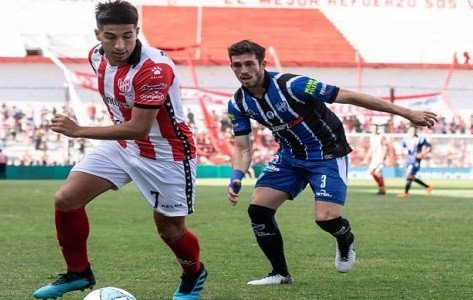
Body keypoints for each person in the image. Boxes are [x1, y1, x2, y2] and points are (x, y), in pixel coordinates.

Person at [225, 40, 438, 286]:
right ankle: (280, 274)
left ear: (262, 64)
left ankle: (345, 238)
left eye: (249, 63)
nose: (243, 70)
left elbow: (348, 96)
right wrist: (236, 175)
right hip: (290, 157)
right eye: (237, 65)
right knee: (258, 210)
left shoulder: (294, 85)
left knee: (326, 219)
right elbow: (242, 147)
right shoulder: (238, 103)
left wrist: (406, 112)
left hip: (327, 154)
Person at [32, 1, 207, 299]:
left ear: (137, 31)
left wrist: (79, 131)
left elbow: (139, 127)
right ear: (98, 34)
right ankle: (78, 273)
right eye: (111, 36)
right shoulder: (95, 57)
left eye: (128, 35)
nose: (120, 45)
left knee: (170, 232)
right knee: (67, 198)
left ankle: (194, 273)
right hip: (124, 147)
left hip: (166, 155)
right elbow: (130, 129)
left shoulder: (154, 69)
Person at [397, 126, 433, 197]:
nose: (412, 132)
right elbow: (401, 149)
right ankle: (427, 187)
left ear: (416, 131)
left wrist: (422, 154)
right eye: (411, 131)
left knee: (408, 176)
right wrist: (401, 156)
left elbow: (429, 147)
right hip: (408, 160)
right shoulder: (406, 139)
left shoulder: (420, 139)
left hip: (415, 160)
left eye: (414, 131)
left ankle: (406, 193)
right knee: (410, 176)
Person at [362, 124, 389, 195]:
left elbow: (385, 147)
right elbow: (371, 148)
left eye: (375, 128)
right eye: (373, 128)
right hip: (374, 157)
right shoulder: (371, 137)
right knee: (372, 172)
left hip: (379, 157)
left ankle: (382, 189)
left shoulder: (381, 136)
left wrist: (382, 158)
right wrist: (366, 158)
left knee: (377, 172)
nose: (374, 129)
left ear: (377, 129)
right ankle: (381, 188)